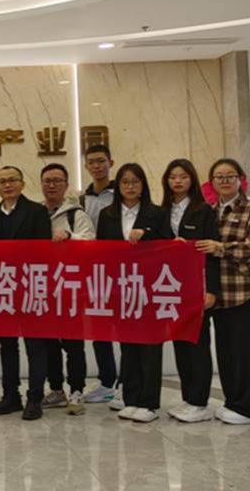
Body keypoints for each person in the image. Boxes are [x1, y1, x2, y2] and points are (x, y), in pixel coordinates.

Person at [195, 158, 250, 425]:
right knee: (226, 351)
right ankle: (232, 402)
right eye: (219, 177)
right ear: (211, 182)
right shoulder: (209, 210)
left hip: (245, 291)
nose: (225, 181)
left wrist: (221, 248)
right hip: (219, 294)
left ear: (240, 179)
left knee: (247, 353)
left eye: (230, 176)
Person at [96, 163, 174, 423]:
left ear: (143, 185)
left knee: (150, 345)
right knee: (127, 345)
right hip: (121, 287)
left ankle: (149, 403)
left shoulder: (157, 213)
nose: (130, 186)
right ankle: (131, 398)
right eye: (125, 182)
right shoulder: (107, 214)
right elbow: (102, 252)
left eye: (135, 181)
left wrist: (146, 234)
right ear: (118, 186)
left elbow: (167, 245)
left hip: (150, 287)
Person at [0, 166, 53, 420]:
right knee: (7, 345)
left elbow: (43, 252)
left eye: (12, 180)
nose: (7, 185)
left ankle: (35, 398)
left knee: (35, 345)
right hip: (3, 287)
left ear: (22, 184)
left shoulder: (36, 212)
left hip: (30, 286)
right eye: (2, 181)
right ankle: (10, 395)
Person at [160, 159, 221, 423]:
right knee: (180, 341)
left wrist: (212, 290)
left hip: (198, 284)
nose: (178, 181)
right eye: (173, 176)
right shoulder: (162, 210)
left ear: (192, 180)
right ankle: (188, 398)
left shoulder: (203, 210)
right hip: (171, 286)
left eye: (183, 176)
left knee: (197, 342)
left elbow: (212, 254)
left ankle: (200, 401)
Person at [38, 163, 92, 416]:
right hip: (44, 286)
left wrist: (71, 238)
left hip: (71, 286)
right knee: (49, 343)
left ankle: (77, 390)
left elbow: (91, 242)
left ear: (66, 185)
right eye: (47, 181)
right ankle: (57, 389)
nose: (52, 185)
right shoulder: (36, 212)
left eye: (57, 181)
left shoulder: (76, 215)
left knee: (73, 343)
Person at [80, 144, 120, 408]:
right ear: (86, 166)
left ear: (110, 162)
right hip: (92, 271)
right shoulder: (82, 200)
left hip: (120, 269)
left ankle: (128, 383)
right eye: (92, 162)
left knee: (126, 327)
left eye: (101, 161)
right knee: (99, 328)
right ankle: (107, 382)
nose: (96, 166)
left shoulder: (121, 193)